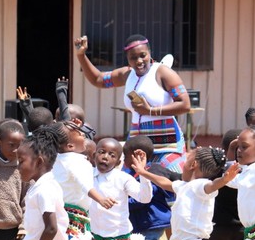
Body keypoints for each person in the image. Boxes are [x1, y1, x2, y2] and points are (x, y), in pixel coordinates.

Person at [74, 34, 191, 172]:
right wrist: (81, 55)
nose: (139, 61)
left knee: (169, 182)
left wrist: (150, 111)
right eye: (133, 58)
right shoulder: (127, 74)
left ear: (149, 52)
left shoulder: (163, 73)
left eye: (143, 55)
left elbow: (185, 104)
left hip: (166, 143)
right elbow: (98, 79)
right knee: (129, 184)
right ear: (127, 59)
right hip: (137, 143)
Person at [118, 136, 179, 240]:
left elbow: (142, 198)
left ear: (138, 155)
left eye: (125, 155)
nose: (123, 160)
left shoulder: (152, 172)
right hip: (139, 223)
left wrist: (120, 203)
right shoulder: (131, 172)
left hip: (153, 222)